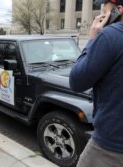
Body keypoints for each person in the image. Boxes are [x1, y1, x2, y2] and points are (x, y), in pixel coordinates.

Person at [69, 0, 123, 166]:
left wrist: (92, 39)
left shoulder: (111, 35)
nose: (103, 18)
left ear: (119, 10)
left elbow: (76, 81)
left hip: (111, 146)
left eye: (105, 13)